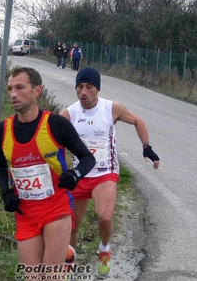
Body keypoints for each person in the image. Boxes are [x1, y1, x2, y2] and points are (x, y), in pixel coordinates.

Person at [0, 66, 95, 279]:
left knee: (50, 276)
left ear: (37, 90)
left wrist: (75, 175)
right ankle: (66, 255)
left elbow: (87, 158)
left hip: (56, 209)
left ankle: (62, 258)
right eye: (10, 88)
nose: (13, 94)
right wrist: (6, 192)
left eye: (20, 87)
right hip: (26, 213)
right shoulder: (3, 129)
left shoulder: (56, 124)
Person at [59, 66, 160, 277]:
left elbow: (137, 121)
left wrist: (146, 147)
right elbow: (50, 137)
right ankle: (70, 260)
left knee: (104, 217)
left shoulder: (110, 108)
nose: (83, 92)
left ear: (98, 89)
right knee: (72, 226)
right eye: (79, 87)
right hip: (79, 175)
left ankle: (104, 249)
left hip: (105, 173)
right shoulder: (69, 113)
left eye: (89, 87)